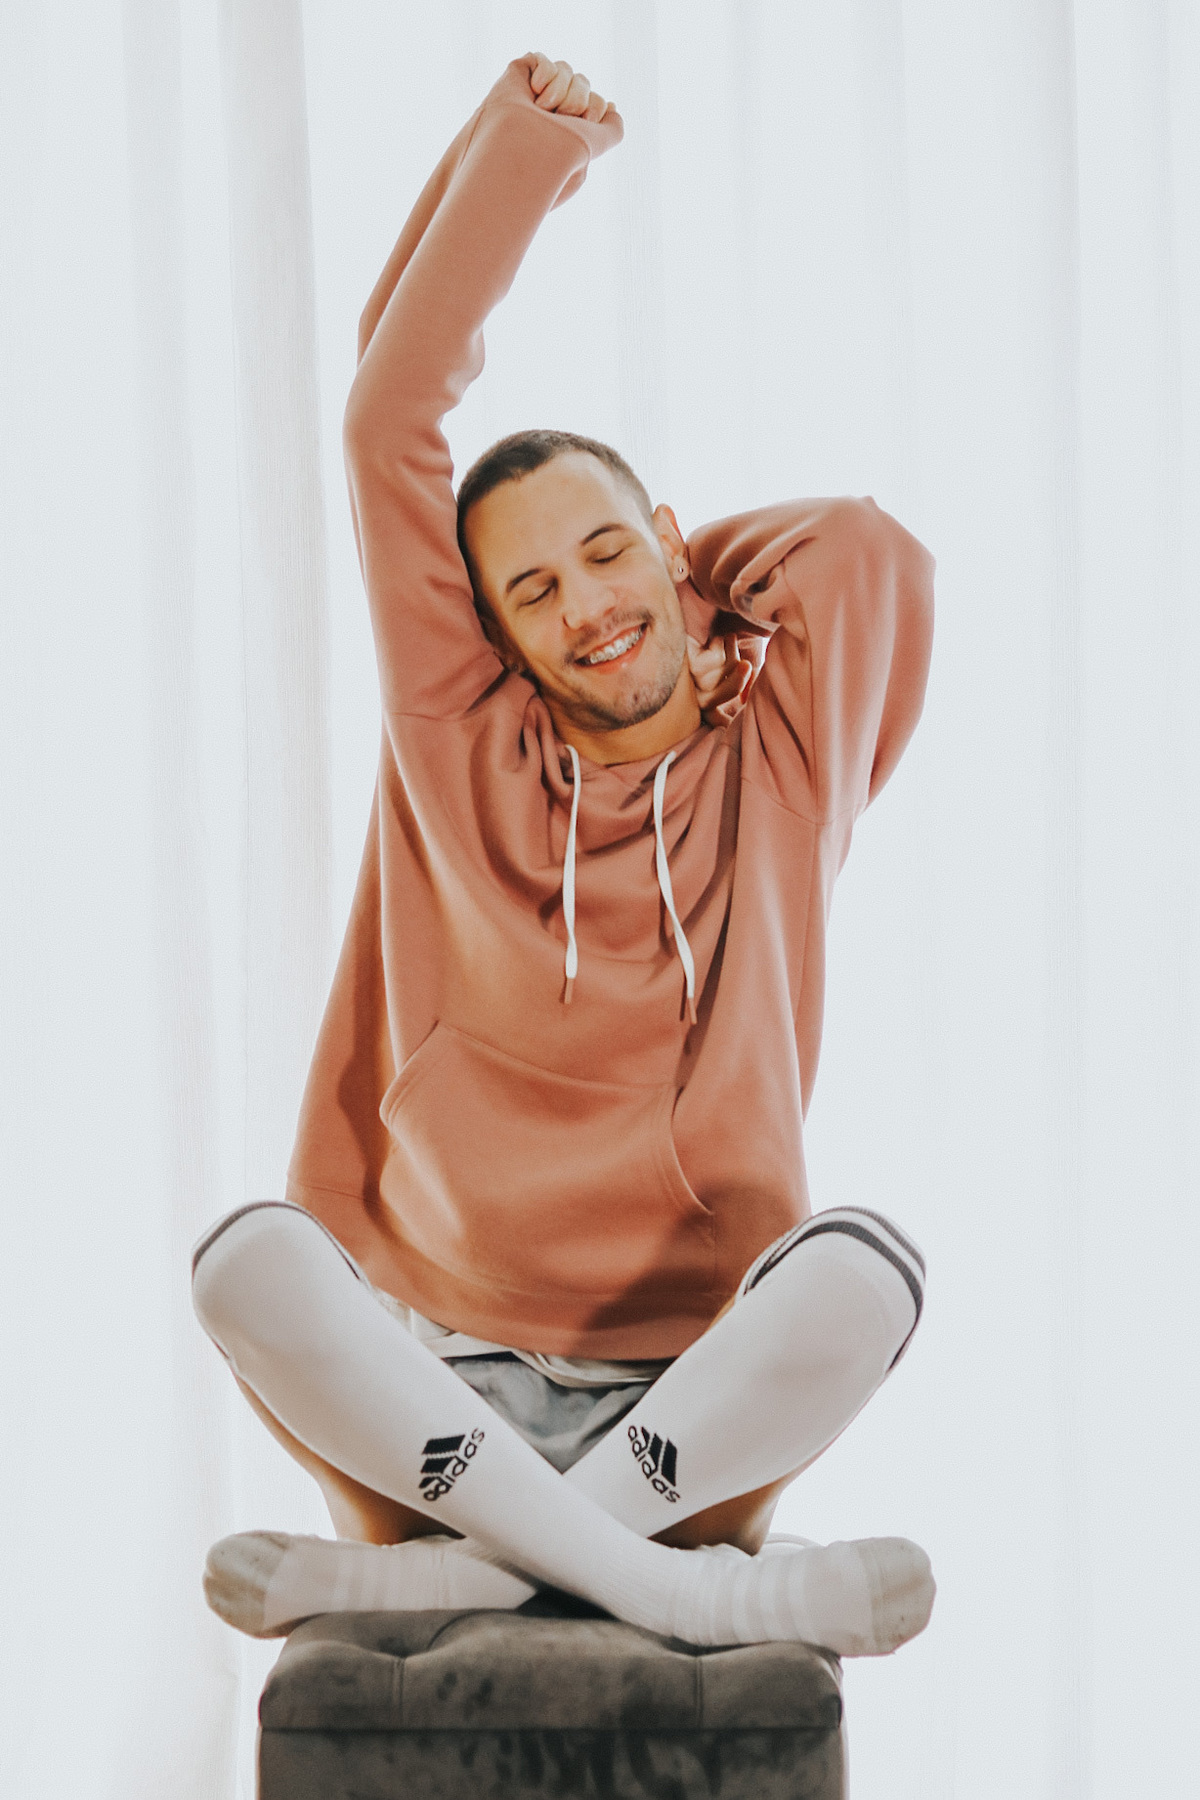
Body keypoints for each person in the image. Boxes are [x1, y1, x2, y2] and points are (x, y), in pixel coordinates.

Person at [192, 50, 938, 1655]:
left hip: (688, 1399)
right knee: (245, 1262)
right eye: (533, 593)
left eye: (608, 555)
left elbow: (867, 551)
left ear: (669, 545)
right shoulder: (457, 740)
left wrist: (674, 579)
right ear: (496, 638)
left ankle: (469, 1575)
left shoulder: (783, 767)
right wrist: (522, 148)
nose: (586, 606)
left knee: (868, 1272)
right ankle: (657, 1587)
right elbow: (387, 415)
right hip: (430, 1387)